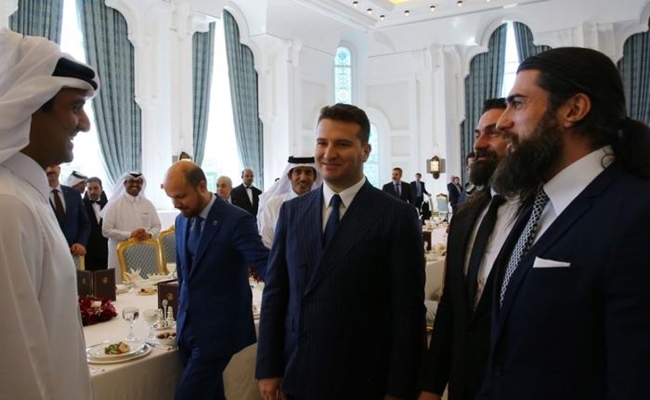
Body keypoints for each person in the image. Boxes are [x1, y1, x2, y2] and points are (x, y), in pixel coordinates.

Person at [478, 48, 650, 400]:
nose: (502, 122)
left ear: (573, 110)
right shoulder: (536, 204)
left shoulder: (637, 214)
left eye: (518, 103)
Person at [256, 103, 425, 400]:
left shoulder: (396, 216)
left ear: (365, 151)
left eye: (342, 144)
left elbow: (407, 311)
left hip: (363, 376)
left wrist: (399, 389)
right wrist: (269, 367)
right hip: (300, 370)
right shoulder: (292, 212)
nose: (328, 153)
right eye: (322, 142)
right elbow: (275, 295)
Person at [0, 28, 99, 399]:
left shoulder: (26, 195)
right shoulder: (9, 206)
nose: (85, 123)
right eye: (74, 107)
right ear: (26, 108)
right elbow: (18, 365)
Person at [418, 98, 515, 400]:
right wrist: (431, 387)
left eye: (494, 132)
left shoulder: (542, 212)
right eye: (478, 134)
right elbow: (451, 305)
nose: (479, 145)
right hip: (463, 384)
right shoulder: (466, 215)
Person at [162, 161, 269, 400]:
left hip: (220, 328)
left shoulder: (236, 219)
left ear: (201, 186)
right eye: (171, 197)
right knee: (211, 394)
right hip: (188, 326)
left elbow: (264, 264)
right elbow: (185, 275)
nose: (176, 204)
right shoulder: (181, 220)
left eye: (181, 196)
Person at [101, 171, 162, 282]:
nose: (135, 184)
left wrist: (149, 234)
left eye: (138, 182)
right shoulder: (114, 205)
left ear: (142, 184)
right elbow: (106, 230)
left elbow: (157, 226)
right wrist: (130, 235)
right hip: (120, 255)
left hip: (145, 254)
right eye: (131, 181)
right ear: (125, 183)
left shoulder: (148, 204)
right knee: (121, 285)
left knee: (146, 285)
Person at [257, 155, 322, 248]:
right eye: (298, 172)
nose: (303, 178)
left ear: (315, 177)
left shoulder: (322, 204)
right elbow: (267, 242)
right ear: (290, 175)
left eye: (308, 172)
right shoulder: (273, 204)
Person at [45, 164, 91, 257]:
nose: (49, 170)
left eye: (53, 165)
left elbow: (85, 223)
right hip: (49, 253)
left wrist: (80, 242)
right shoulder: (37, 195)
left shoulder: (74, 194)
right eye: (46, 167)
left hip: (74, 252)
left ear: (59, 169)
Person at [83, 176, 109, 271]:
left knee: (105, 276)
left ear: (101, 189)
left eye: (96, 188)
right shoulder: (81, 205)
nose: (92, 191)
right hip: (87, 249)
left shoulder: (108, 205)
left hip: (105, 249)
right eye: (90, 189)